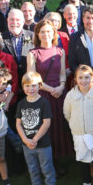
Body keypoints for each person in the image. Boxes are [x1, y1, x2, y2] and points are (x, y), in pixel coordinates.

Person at [27, 20, 72, 165]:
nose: (46, 34)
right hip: (43, 95)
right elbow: (32, 79)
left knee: (60, 126)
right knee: (47, 128)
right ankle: (48, 161)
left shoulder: (60, 51)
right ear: (37, 34)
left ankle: (61, 158)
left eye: (49, 31)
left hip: (59, 93)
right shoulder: (33, 53)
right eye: (42, 32)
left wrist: (61, 86)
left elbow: (62, 73)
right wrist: (51, 89)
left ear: (54, 33)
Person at [16, 71, 57, 185]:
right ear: (23, 87)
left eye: (33, 85)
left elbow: (46, 123)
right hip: (27, 145)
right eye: (27, 86)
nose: (30, 89)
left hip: (42, 144)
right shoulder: (21, 104)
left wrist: (35, 139)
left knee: (47, 168)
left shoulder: (43, 102)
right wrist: (25, 140)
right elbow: (18, 124)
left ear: (40, 86)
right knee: (32, 169)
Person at [2, 9, 34, 80]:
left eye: (17, 20)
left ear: (23, 21)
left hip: (29, 79)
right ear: (7, 21)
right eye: (12, 19)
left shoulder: (33, 36)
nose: (14, 22)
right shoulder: (0, 38)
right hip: (8, 80)